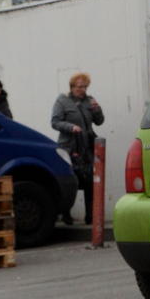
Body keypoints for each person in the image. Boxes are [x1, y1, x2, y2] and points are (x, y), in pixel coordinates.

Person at [50, 72, 104, 224]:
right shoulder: (62, 101)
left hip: (86, 148)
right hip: (68, 148)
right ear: (72, 87)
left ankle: (91, 216)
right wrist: (70, 127)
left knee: (90, 182)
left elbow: (99, 121)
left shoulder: (89, 101)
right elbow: (55, 122)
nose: (83, 90)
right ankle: (66, 214)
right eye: (80, 87)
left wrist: (97, 110)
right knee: (70, 181)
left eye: (85, 87)